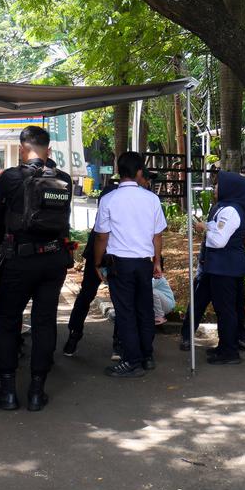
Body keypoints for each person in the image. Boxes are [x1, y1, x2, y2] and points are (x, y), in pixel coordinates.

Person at [0, 126, 73, 412]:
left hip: (18, 260)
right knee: (45, 322)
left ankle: (8, 392)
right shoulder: (64, 180)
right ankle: (37, 391)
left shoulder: (10, 178)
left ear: (22, 149)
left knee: (9, 321)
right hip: (53, 260)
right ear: (48, 149)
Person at [94, 151, 167, 378]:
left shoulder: (108, 199)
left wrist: (98, 263)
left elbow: (101, 237)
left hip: (120, 263)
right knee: (144, 309)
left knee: (125, 312)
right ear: (138, 172)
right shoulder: (151, 199)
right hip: (144, 263)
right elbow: (157, 235)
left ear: (119, 171)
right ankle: (147, 356)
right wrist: (157, 261)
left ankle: (131, 359)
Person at [187, 171, 245, 364]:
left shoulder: (230, 211)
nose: (215, 189)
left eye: (218, 185)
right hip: (222, 267)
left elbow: (218, 241)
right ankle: (225, 346)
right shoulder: (226, 208)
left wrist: (205, 228)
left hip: (225, 267)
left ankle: (229, 352)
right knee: (224, 309)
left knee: (226, 310)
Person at [63, 183, 119, 358]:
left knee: (86, 295)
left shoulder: (109, 193)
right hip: (112, 254)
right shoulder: (119, 195)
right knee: (120, 299)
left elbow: (99, 232)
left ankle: (74, 335)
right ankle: (118, 343)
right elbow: (102, 234)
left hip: (100, 252)